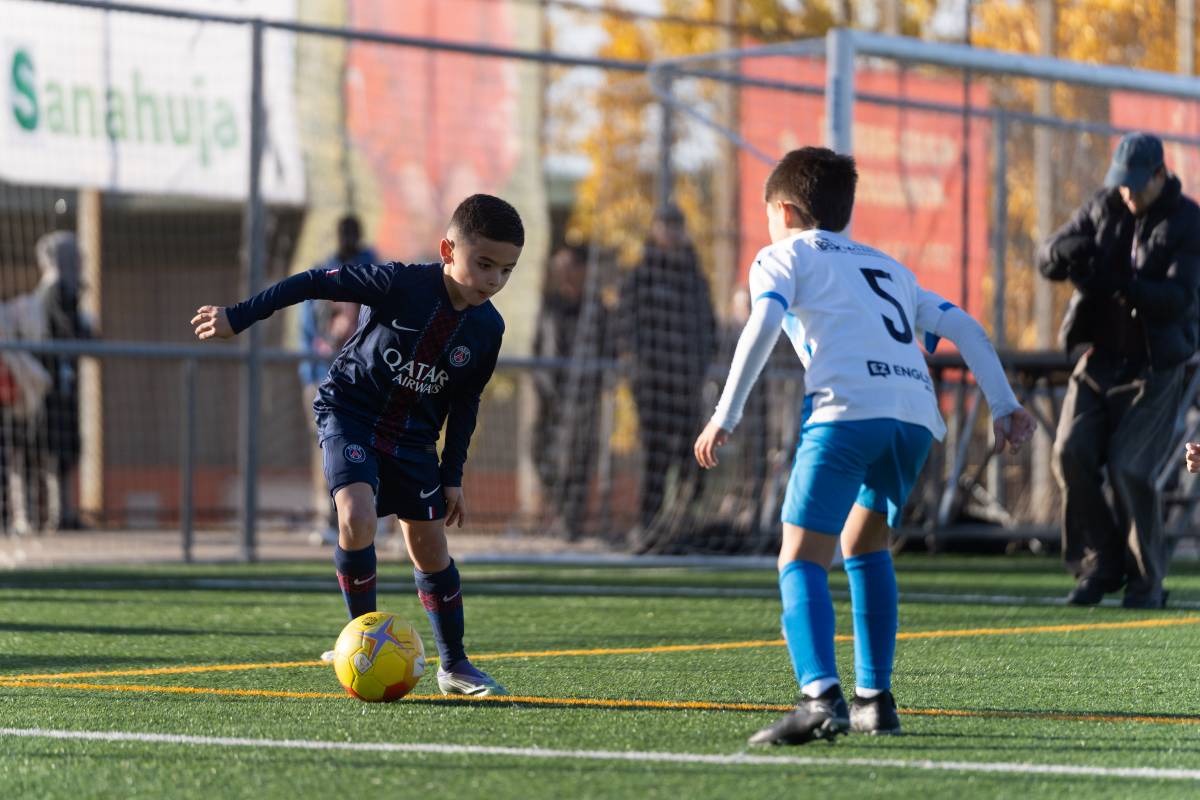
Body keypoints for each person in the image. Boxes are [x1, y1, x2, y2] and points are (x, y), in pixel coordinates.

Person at [694, 147, 1035, 746]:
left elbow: (763, 323)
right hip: (913, 419)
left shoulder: (781, 256)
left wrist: (726, 413)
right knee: (864, 543)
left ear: (784, 208)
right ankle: (875, 701)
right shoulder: (889, 267)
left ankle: (818, 697)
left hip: (844, 413)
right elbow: (966, 328)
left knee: (799, 557)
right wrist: (1004, 406)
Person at [191, 194, 522, 697]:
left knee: (429, 547)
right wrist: (240, 316)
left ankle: (454, 666)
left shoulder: (488, 328)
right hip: (351, 413)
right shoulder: (400, 282)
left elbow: (466, 404)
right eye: (483, 264)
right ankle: (362, 638)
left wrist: (452, 474)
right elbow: (310, 283)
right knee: (356, 517)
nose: (493, 280)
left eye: (505, 271)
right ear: (447, 249)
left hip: (414, 439)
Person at [1037, 132, 1200, 610]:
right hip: (1098, 358)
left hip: (1156, 364)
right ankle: (1099, 564)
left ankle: (1146, 582)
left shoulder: (1189, 222)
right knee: (1069, 452)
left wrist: (1121, 284)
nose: (1126, 193)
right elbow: (1050, 254)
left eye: (1135, 184)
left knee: (1131, 467)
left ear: (1158, 174)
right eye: (1120, 184)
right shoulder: (1105, 205)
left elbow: (1178, 300)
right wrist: (1061, 254)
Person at [619, 203, 717, 539]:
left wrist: (702, 366)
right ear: (656, 230)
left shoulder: (695, 277)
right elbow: (626, 322)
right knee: (656, 456)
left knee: (693, 455)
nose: (673, 234)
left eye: (678, 226)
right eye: (667, 226)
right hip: (652, 383)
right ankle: (648, 524)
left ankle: (684, 522)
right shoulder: (642, 273)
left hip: (687, 382)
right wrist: (637, 362)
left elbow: (709, 326)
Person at [300, 215, 376, 545]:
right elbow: (309, 329)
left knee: (371, 448)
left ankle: (374, 517)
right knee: (327, 449)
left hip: (365, 380)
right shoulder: (324, 273)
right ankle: (326, 517)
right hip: (325, 378)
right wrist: (314, 369)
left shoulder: (376, 273)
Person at [532, 245, 609, 538]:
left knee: (579, 456)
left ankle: (571, 521)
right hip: (551, 394)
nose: (562, 274)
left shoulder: (596, 309)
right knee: (539, 449)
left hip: (583, 398)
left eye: (568, 267)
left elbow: (608, 348)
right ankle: (558, 504)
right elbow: (539, 346)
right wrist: (543, 384)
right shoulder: (550, 306)